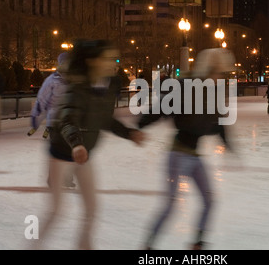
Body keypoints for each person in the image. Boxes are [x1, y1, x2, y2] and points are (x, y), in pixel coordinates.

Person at [35, 40, 144, 250]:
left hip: (84, 154)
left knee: (92, 208)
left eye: (115, 59)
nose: (115, 63)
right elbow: (67, 120)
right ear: (93, 62)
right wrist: (76, 145)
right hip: (61, 153)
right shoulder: (77, 88)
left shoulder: (107, 86)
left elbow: (105, 119)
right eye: (109, 59)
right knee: (56, 211)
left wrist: (130, 133)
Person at [138, 48, 235, 250]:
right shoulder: (186, 87)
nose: (221, 78)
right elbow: (162, 106)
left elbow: (218, 123)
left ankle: (197, 243)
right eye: (219, 73)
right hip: (177, 154)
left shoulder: (212, 94)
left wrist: (228, 145)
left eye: (223, 74)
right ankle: (148, 246)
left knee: (210, 200)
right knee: (171, 204)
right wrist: (142, 123)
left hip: (194, 156)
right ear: (208, 69)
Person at [28, 53, 68, 139]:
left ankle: (49, 128)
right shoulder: (53, 79)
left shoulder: (74, 79)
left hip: (63, 112)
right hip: (52, 107)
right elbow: (43, 95)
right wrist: (37, 110)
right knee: (49, 113)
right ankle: (41, 127)